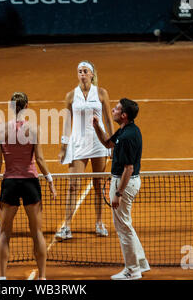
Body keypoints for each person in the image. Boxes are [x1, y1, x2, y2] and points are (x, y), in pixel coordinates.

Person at [0, 92, 57, 280]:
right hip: (30, 183)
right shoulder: (33, 129)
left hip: (10, 183)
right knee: (37, 232)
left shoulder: (1, 131)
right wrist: (50, 182)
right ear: (26, 106)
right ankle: (43, 277)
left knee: (4, 233)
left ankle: (2, 278)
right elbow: (40, 159)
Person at [56, 60, 114, 240]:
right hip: (78, 144)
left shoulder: (102, 93)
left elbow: (109, 121)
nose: (82, 74)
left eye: (85, 71)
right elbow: (67, 122)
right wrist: (64, 146)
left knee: (98, 186)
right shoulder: (71, 96)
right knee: (73, 186)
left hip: (99, 144)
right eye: (79, 71)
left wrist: (113, 144)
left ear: (92, 74)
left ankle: (99, 223)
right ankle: (66, 226)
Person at [93, 98, 150, 280]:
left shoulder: (126, 138)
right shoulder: (128, 129)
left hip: (124, 184)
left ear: (124, 115)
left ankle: (132, 270)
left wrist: (118, 193)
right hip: (128, 182)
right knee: (126, 225)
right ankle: (140, 263)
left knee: (123, 228)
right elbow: (108, 144)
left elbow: (128, 168)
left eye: (116, 109)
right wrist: (96, 126)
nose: (113, 111)